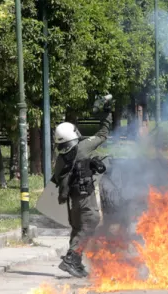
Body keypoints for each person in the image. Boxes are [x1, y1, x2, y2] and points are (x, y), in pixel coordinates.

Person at [51, 95, 112, 278]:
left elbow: (56, 179)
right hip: (85, 197)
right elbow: (103, 134)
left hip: (71, 200)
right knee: (91, 222)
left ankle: (75, 263)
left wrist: (87, 165)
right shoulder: (82, 148)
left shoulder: (60, 159)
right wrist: (107, 113)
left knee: (77, 227)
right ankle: (71, 258)